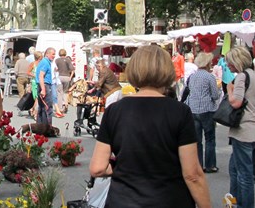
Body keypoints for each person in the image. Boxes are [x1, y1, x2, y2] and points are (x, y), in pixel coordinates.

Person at [89, 45, 211, 208]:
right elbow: (192, 174)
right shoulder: (180, 112)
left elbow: (97, 168)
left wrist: (123, 165)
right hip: (169, 199)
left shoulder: (114, 111)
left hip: (124, 200)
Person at [225, 46, 255, 208]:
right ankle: (232, 201)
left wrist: (229, 89)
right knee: (235, 168)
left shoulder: (242, 76)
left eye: (230, 62)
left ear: (237, 61)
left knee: (243, 174)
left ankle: (242, 204)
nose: (228, 65)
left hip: (244, 129)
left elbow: (236, 102)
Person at [185, 52, 221, 173]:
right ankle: (210, 165)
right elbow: (215, 95)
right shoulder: (209, 77)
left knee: (197, 140)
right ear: (207, 63)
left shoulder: (192, 76)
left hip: (193, 109)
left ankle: (198, 164)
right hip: (207, 109)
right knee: (210, 138)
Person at [35, 48, 55, 126]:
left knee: (42, 108)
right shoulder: (45, 63)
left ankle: (40, 126)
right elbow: (41, 76)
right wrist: (43, 89)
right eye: (52, 54)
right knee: (48, 107)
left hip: (41, 85)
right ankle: (47, 127)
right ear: (47, 54)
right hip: (45, 85)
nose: (54, 56)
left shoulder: (43, 62)